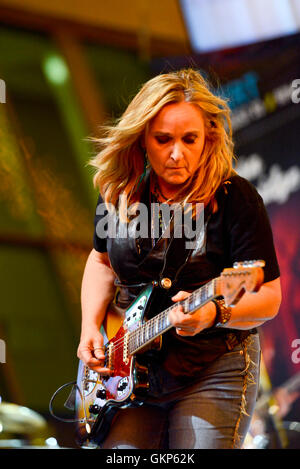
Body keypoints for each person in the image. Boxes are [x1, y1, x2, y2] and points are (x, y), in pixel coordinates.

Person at [77, 69, 281, 449]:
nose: (176, 153)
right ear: (141, 140)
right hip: (128, 366)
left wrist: (215, 313)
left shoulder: (235, 198)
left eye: (190, 139)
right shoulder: (120, 192)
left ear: (209, 138)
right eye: (163, 139)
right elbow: (100, 261)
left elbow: (268, 295)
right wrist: (90, 325)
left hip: (212, 366)